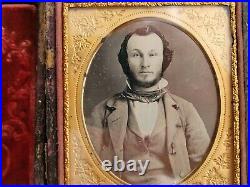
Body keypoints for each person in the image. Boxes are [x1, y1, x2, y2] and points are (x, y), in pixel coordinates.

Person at [86, 25, 210, 184]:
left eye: (153, 54)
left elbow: (206, 167)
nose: (145, 63)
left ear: (163, 58)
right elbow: (86, 169)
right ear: (126, 60)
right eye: (136, 55)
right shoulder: (102, 112)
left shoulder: (186, 110)